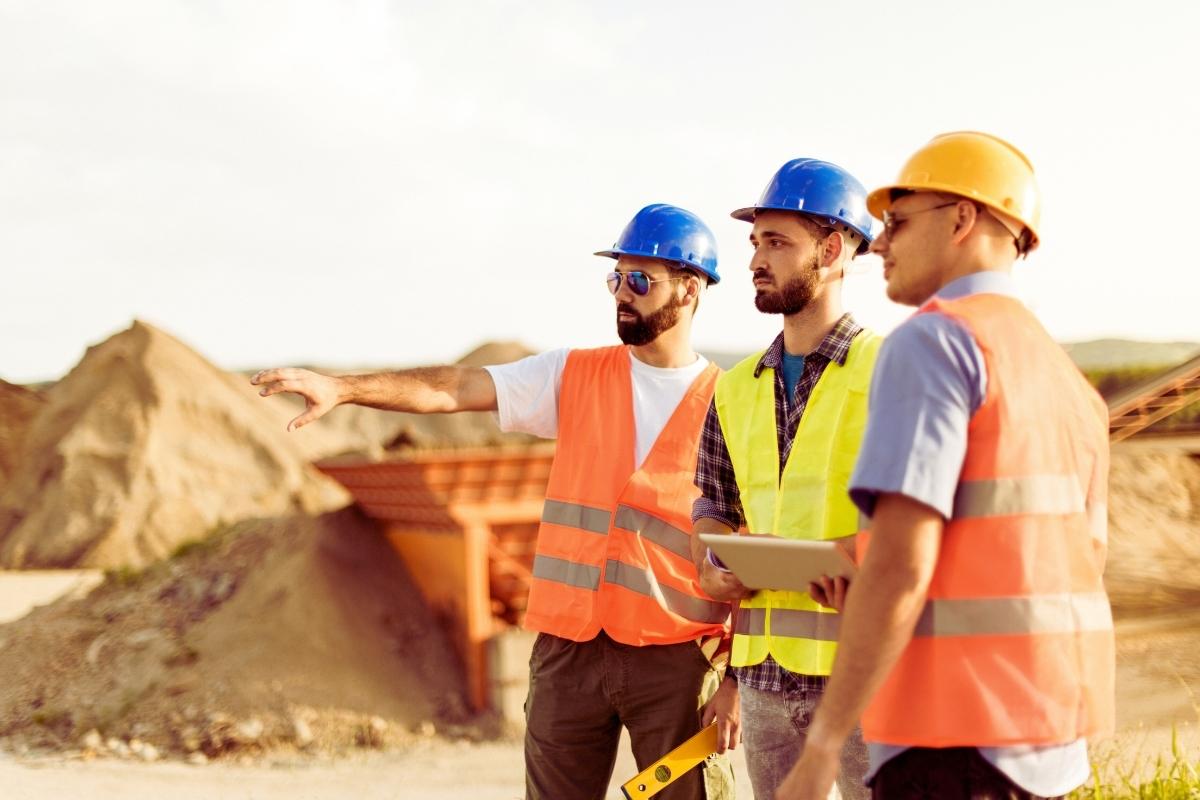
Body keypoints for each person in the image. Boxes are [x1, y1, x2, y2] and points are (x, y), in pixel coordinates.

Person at [252, 203, 736, 800]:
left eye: (640, 281)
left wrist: (738, 675)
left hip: (676, 659)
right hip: (568, 651)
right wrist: (344, 388)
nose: (621, 294)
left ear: (690, 289)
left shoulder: (732, 403)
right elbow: (455, 388)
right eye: (615, 278)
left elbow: (748, 551)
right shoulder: (574, 375)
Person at [775, 132, 1114, 800]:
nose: (879, 244)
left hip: (951, 740)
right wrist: (862, 561)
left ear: (962, 218)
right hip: (1049, 744)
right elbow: (1059, 558)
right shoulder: (1069, 381)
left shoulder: (934, 342)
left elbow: (905, 565)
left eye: (897, 222)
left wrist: (821, 748)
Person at [689, 158, 879, 800]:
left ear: (831, 250)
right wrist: (710, 563)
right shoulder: (735, 388)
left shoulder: (890, 371)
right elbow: (712, 506)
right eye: (755, 242)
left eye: (776, 242)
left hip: (865, 672)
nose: (754, 261)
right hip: (765, 679)